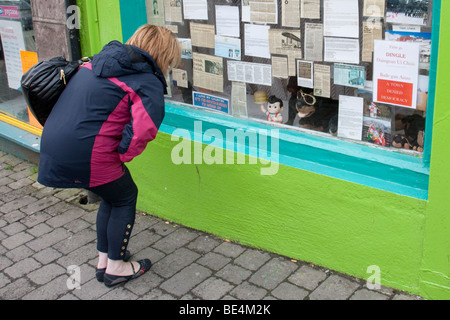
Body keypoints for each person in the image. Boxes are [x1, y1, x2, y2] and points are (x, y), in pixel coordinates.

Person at [37, 25, 181, 287]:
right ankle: (116, 268)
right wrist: (123, 154)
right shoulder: (146, 81)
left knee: (111, 196)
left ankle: (105, 260)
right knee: (125, 196)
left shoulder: (95, 63)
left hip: (54, 144)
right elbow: (143, 130)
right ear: (164, 55)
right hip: (89, 154)